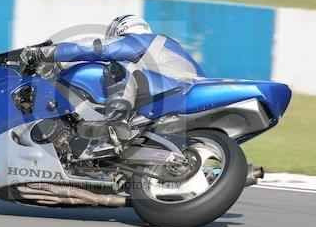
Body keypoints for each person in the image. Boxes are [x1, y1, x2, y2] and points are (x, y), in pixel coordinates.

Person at [20, 15, 205, 139]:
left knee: (121, 68)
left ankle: (116, 119)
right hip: (178, 98)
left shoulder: (141, 40)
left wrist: (45, 53)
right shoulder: (165, 50)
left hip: (176, 91)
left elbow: (96, 49)